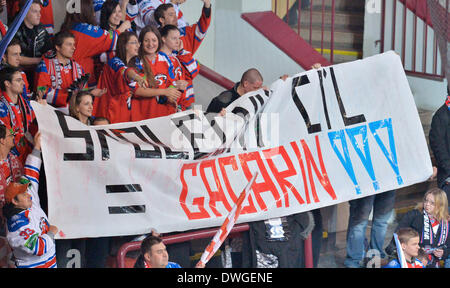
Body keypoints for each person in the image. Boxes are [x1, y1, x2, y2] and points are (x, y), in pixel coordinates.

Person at [2, 131, 59, 268]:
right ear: (15, 202)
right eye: (23, 194)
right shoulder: (17, 225)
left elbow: (31, 171)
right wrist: (51, 232)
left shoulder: (29, 202)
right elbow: (37, 248)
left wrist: (37, 147)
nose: (28, 194)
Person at [60, 0, 131, 88]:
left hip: (66, 79)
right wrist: (123, 26)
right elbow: (111, 38)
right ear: (85, 11)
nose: (93, 13)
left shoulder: (66, 26)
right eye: (91, 9)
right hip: (81, 83)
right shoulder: (85, 30)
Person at [385, 187, 450, 268]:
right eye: (426, 200)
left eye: (432, 203)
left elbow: (448, 245)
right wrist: (417, 255)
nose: (427, 204)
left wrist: (443, 253)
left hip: (433, 262)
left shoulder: (446, 222)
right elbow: (396, 239)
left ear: (440, 205)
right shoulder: (414, 215)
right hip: (412, 260)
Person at [129, 25, 181, 121]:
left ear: (159, 41)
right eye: (146, 40)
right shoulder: (136, 61)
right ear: (140, 43)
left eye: (154, 40)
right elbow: (137, 90)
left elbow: (172, 83)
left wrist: (171, 95)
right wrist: (164, 92)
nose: (150, 44)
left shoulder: (164, 58)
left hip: (164, 115)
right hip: (143, 116)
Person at [35, 31, 94, 114]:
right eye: (69, 44)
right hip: (51, 114)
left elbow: (84, 94)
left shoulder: (79, 68)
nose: (73, 48)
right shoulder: (45, 66)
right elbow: (40, 91)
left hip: (75, 116)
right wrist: (68, 96)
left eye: (73, 44)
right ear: (57, 47)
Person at [344, 189, 396, 268]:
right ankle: (354, 261)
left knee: (380, 221)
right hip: (366, 181)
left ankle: (374, 258)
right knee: (360, 222)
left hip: (388, 181)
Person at [0, 66, 35, 165]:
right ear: (7, 83)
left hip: (29, 154)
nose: (23, 83)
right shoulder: (1, 109)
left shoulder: (27, 105)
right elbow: (5, 137)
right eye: (18, 80)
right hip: (11, 160)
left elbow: (33, 126)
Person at [15, 0, 52, 67]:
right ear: (24, 13)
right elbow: (15, 58)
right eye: (35, 11)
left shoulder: (41, 29)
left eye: (39, 11)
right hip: (20, 72)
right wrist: (39, 60)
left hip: (38, 70)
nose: (39, 15)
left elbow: (49, 51)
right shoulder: (14, 30)